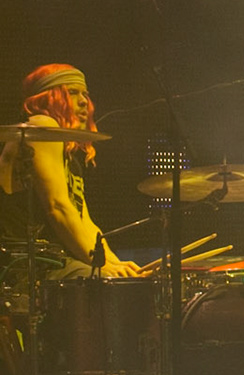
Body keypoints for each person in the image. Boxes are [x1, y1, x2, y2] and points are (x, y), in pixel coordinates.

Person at [0, 64, 144, 278]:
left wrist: (116, 263)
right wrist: (102, 267)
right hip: (25, 265)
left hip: (54, 260)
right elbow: (58, 207)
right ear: (48, 98)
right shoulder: (41, 126)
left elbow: (83, 221)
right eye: (73, 92)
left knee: (127, 281)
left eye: (85, 94)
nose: (84, 101)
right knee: (107, 285)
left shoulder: (70, 159)